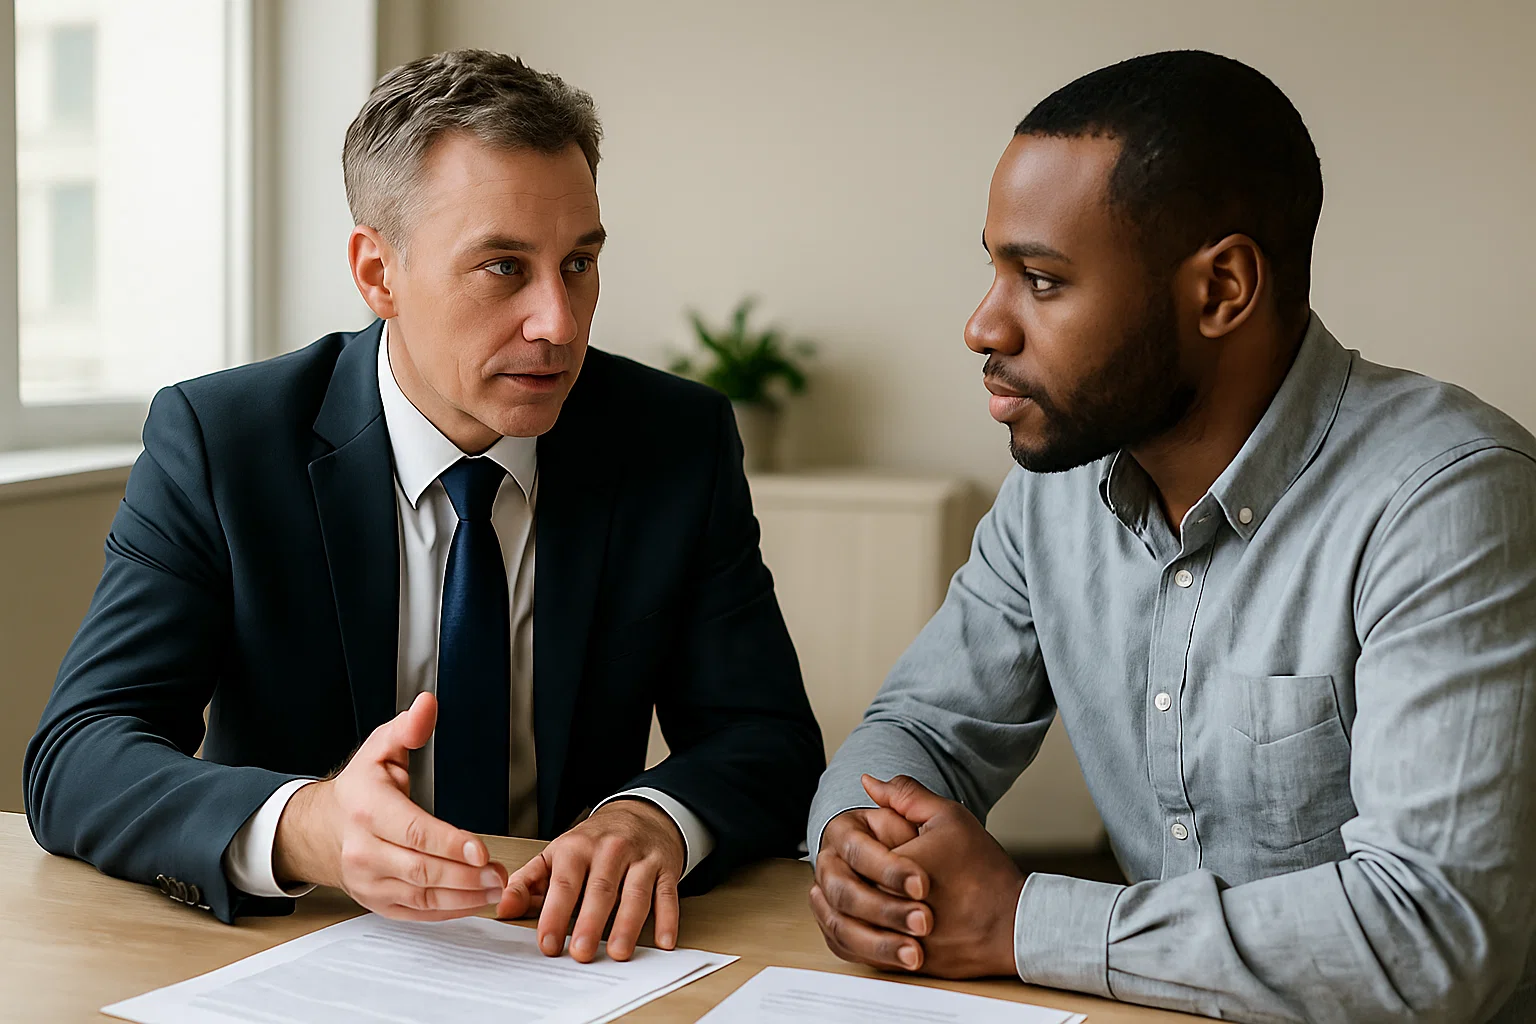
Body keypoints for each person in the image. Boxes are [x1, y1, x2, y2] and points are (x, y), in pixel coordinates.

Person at [24, 49, 823, 966]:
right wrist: (307, 827)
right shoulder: (224, 441)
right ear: (378, 273)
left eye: (579, 262)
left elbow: (767, 738)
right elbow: (79, 752)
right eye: (502, 268)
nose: (558, 323)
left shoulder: (674, 442)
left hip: (568, 958)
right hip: (301, 953)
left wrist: (655, 819)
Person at [807, 49, 1536, 1022]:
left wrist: (1024, 920)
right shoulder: (1054, 488)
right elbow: (924, 729)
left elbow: (1436, 935)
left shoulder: (1450, 499)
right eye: (994, 267)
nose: (984, 324)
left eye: (1043, 279)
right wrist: (861, 847)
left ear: (1222, 288)